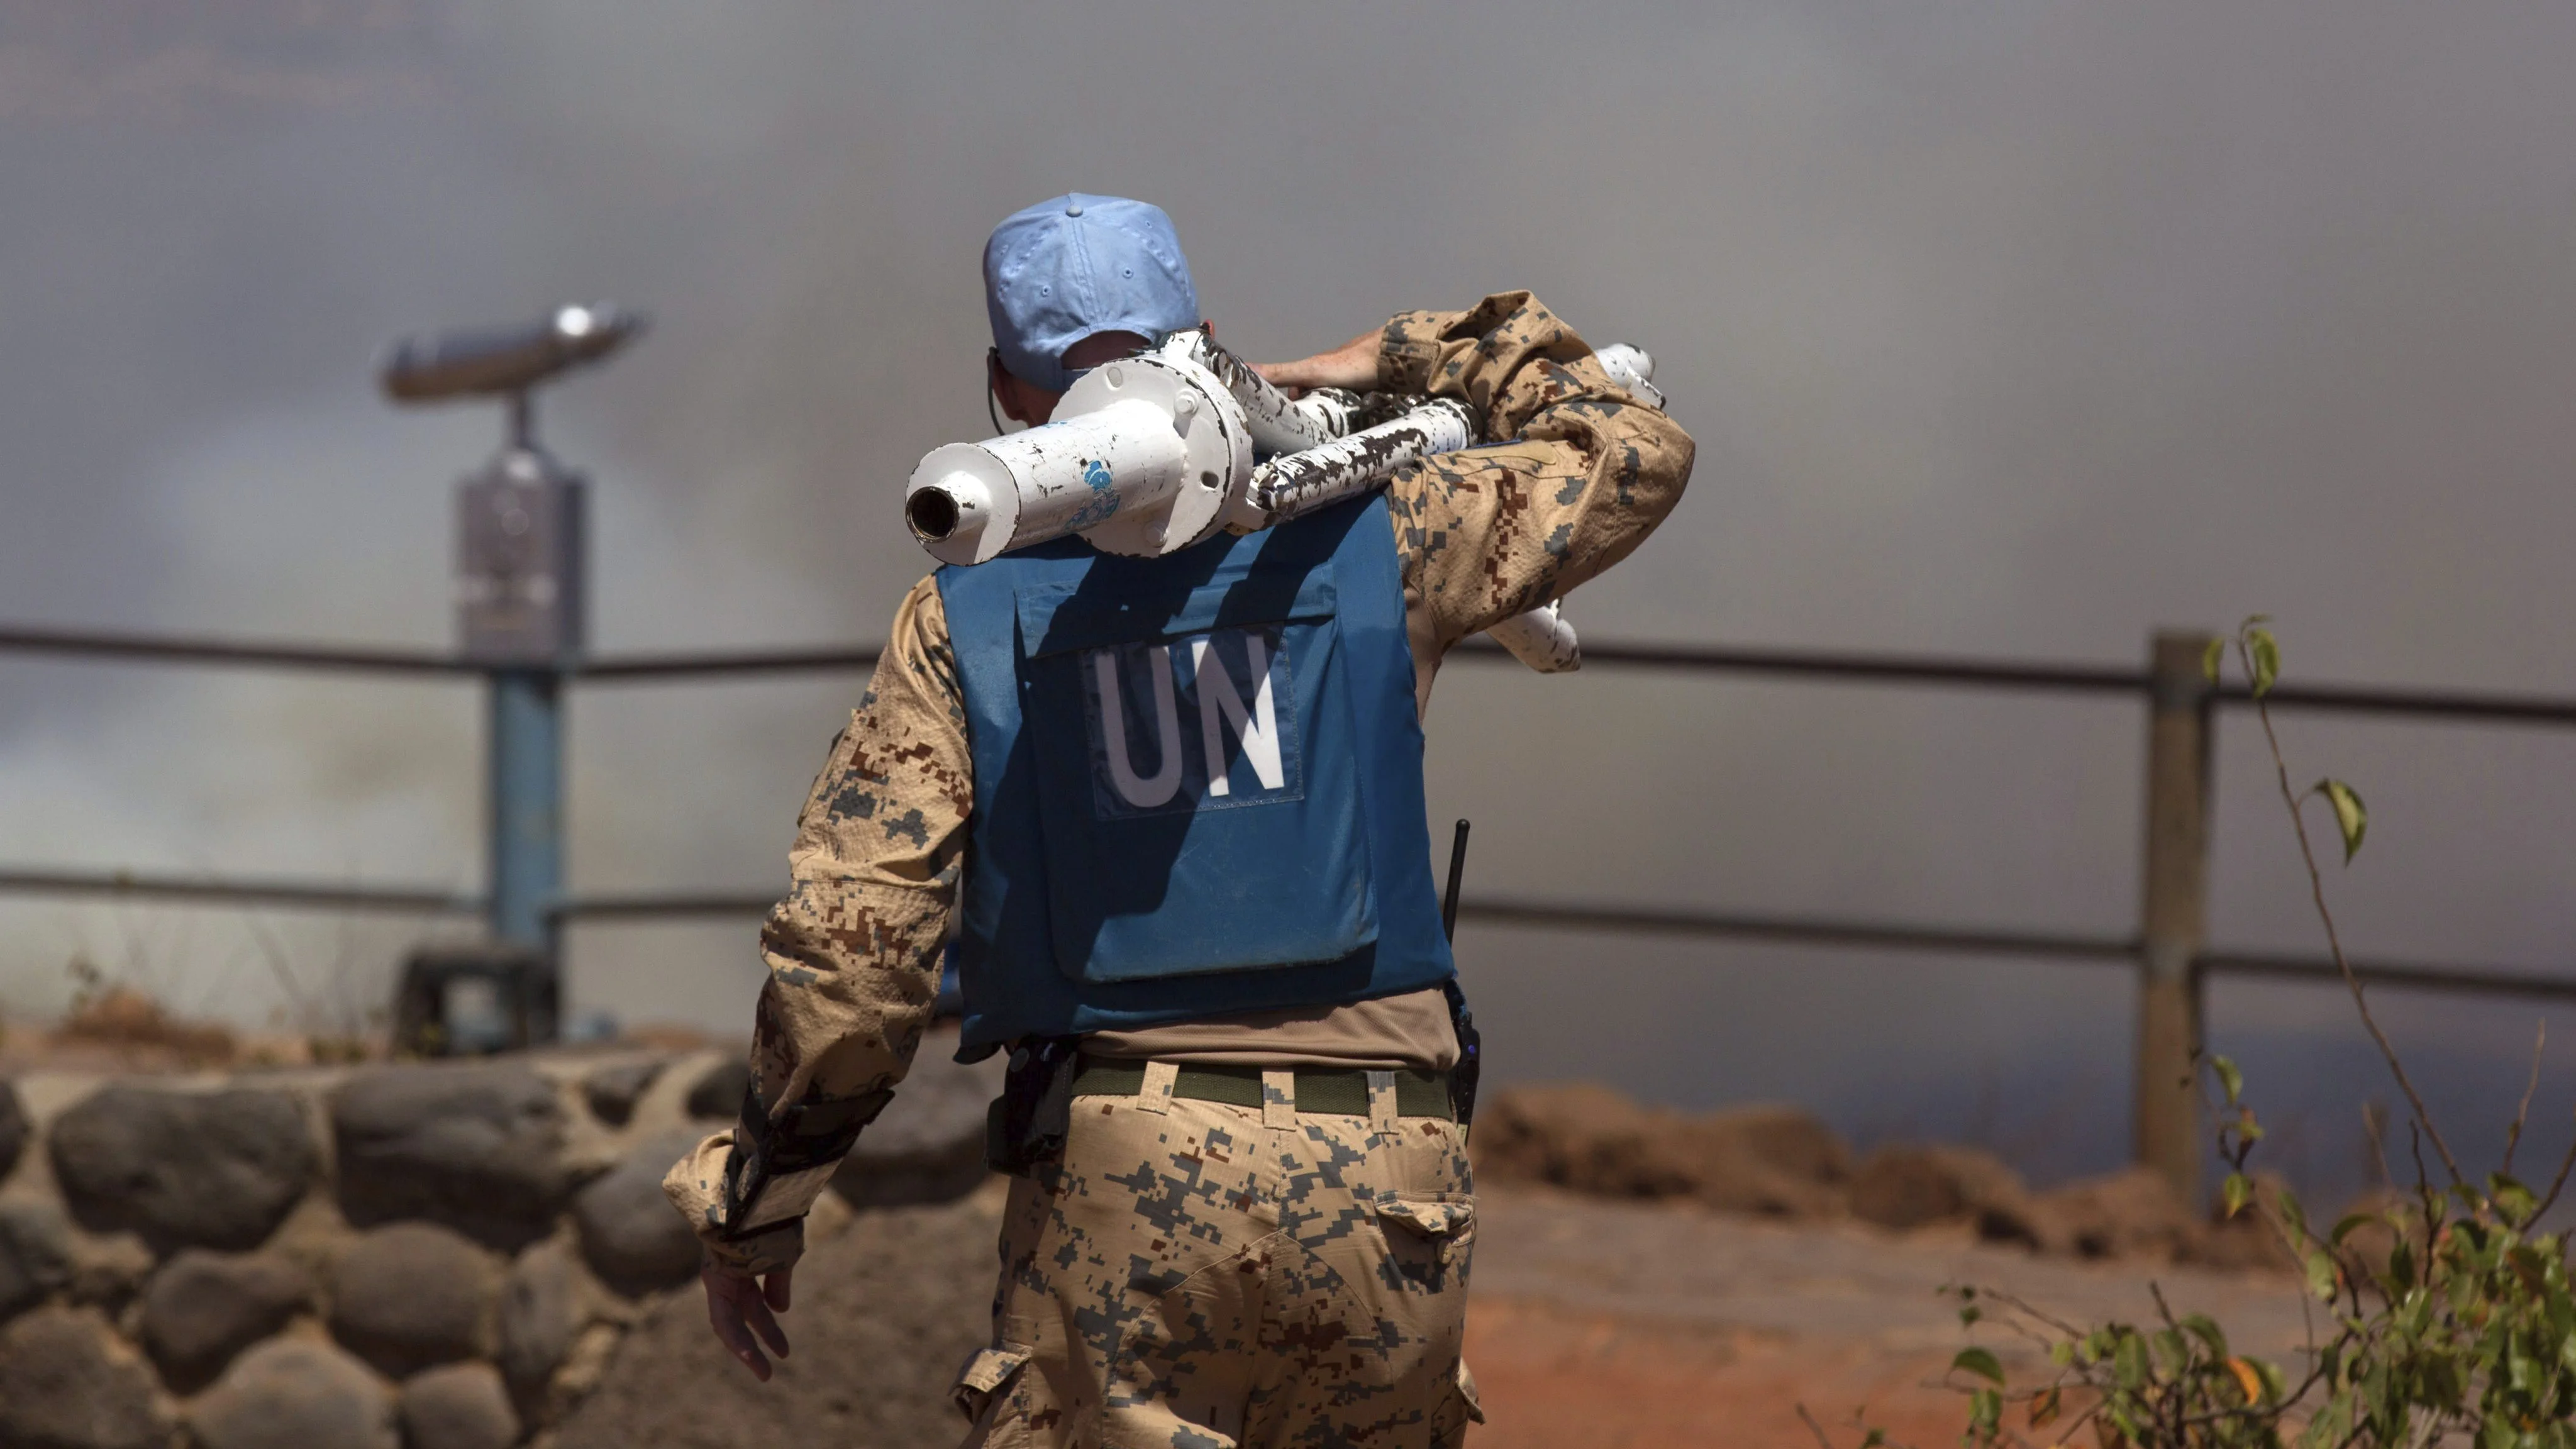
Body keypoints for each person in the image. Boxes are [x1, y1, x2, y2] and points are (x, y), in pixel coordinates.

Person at [664, 192, 1694, 1448]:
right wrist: (1382, 358)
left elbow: (851, 965)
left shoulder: (961, 622)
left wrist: (760, 1201)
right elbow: (1631, 444)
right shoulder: (1390, 534)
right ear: (1203, 340)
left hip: (1119, 1175)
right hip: (1389, 1173)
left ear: (1004, 387)